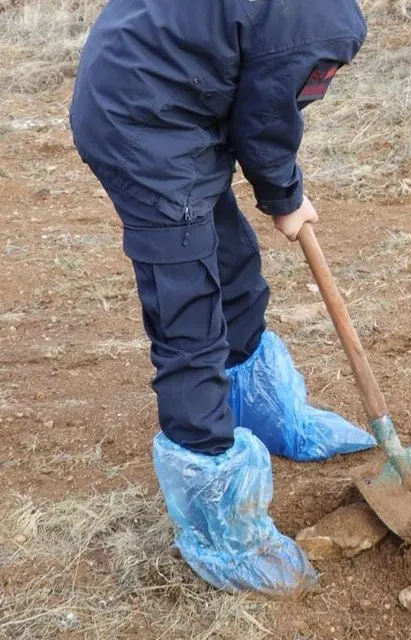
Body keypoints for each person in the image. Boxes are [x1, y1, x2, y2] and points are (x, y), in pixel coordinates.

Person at [68, 0, 375, 597]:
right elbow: (264, 123)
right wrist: (285, 198)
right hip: (143, 123)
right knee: (187, 308)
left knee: (231, 262)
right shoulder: (320, 20)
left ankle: (262, 410)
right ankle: (220, 519)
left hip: (174, 100)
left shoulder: (317, 13)